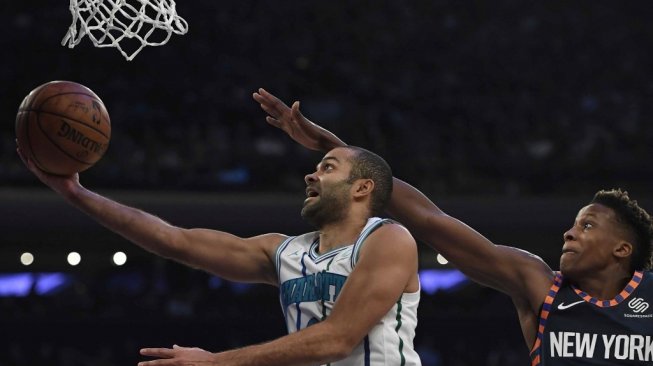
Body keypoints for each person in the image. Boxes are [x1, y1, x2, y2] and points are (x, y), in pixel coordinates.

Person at [253, 88, 653, 365]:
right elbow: (432, 222)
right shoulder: (540, 284)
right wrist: (337, 153)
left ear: (622, 249)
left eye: (587, 227)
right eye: (573, 224)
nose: (569, 233)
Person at [17, 141, 422, 365]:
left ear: (362, 189)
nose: (311, 174)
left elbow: (338, 338)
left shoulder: (388, 239)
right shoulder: (284, 251)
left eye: (328, 167)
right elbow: (174, 240)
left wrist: (214, 363)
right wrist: (75, 193)